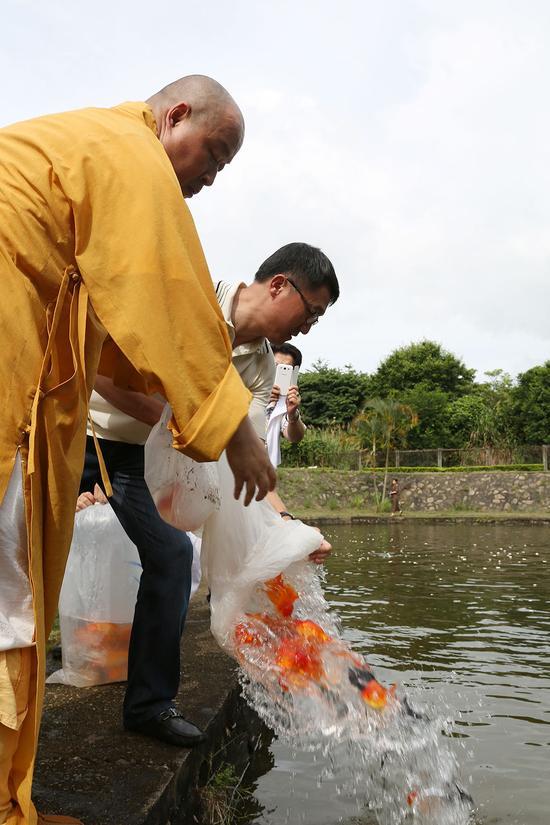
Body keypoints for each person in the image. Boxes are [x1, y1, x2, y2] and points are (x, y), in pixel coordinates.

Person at [0, 75, 276, 825]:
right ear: (173, 114)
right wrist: (237, 434)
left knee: (19, 587)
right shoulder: (128, 153)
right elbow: (169, 311)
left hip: (52, 402)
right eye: (211, 155)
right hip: (37, 396)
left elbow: (121, 342)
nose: (208, 178)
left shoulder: (92, 158)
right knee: (7, 591)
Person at [74, 242, 338, 750]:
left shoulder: (261, 369)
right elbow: (103, 374)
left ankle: (149, 705)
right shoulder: (193, 297)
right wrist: (196, 422)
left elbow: (248, 460)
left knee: (173, 557)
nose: (309, 326)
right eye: (311, 311)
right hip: (88, 429)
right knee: (25, 551)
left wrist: (290, 527)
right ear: (280, 284)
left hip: (142, 457)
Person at [268, 344, 306, 444]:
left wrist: (292, 415)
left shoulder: (286, 401)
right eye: (275, 366)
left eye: (286, 368)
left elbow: (295, 438)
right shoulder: (248, 387)